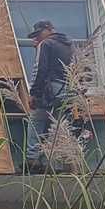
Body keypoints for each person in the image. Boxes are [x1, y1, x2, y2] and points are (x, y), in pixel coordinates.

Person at [24, 19, 75, 171]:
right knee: (59, 126)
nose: (37, 37)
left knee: (36, 120)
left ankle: (33, 160)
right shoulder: (69, 45)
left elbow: (40, 70)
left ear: (49, 29)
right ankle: (60, 163)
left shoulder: (46, 44)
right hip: (68, 89)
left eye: (38, 33)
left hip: (50, 88)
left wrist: (34, 93)